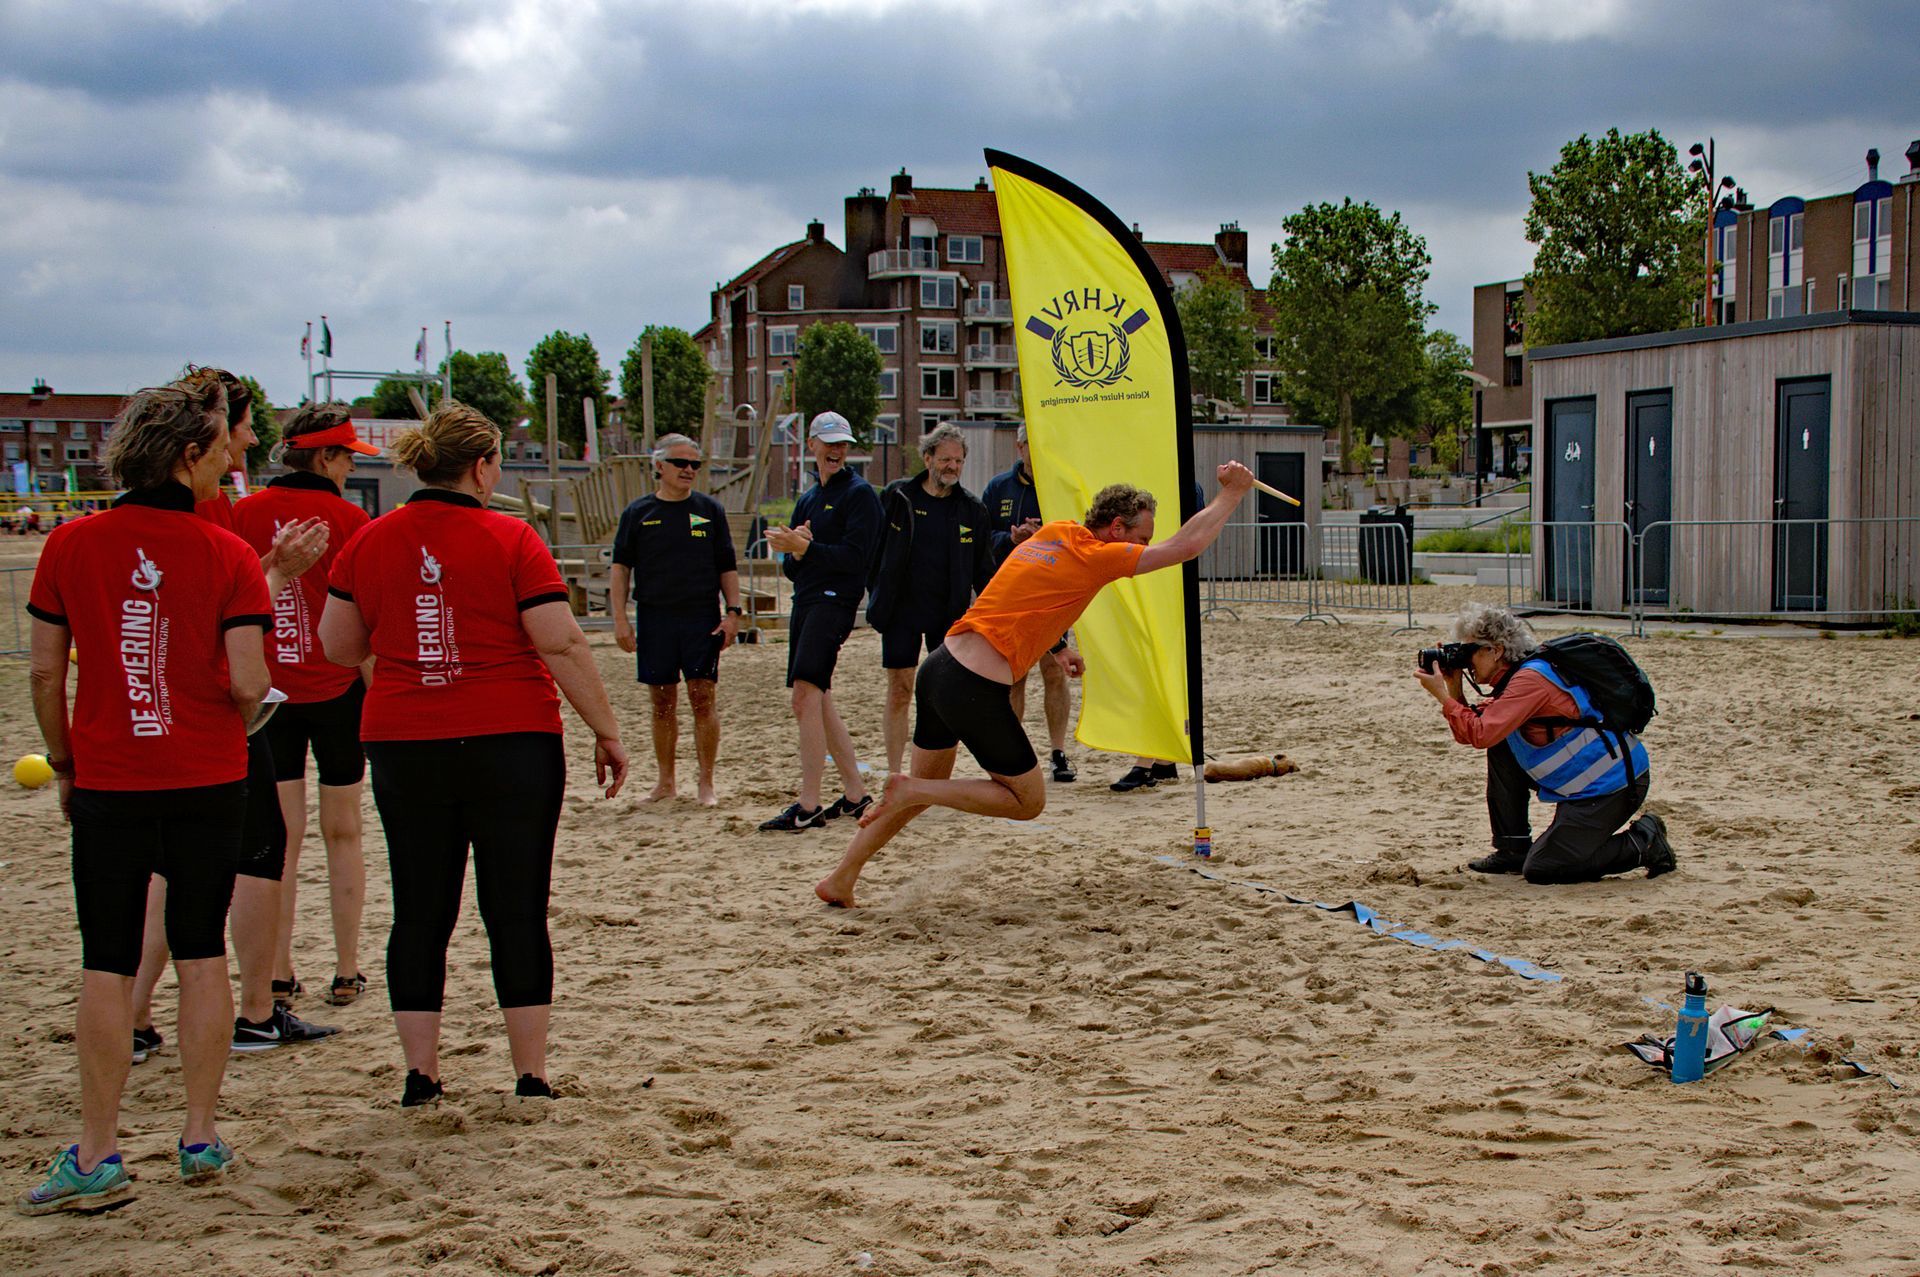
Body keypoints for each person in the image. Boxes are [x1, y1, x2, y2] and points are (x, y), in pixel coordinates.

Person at [318, 399, 629, 1107]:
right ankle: (530, 1074)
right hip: (510, 737)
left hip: (406, 740)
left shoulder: (369, 541)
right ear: (483, 468)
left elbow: (338, 646)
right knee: (516, 907)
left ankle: (421, 1074)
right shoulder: (512, 537)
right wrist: (606, 729)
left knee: (419, 910)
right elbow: (559, 640)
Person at [18, 381, 272, 1212]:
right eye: (219, 450)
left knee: (107, 958)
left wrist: (64, 759)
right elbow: (249, 681)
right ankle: (199, 1137)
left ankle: (98, 1150)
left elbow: (46, 673)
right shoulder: (227, 553)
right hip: (207, 774)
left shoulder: (70, 543)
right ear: (187, 456)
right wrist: (216, 715)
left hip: (110, 775)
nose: (226, 464)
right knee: (201, 952)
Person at [815, 463, 1257, 908]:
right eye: (1140, 538)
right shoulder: (1098, 556)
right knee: (1026, 801)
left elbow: (1029, 596)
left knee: (917, 795)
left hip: (941, 666)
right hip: (972, 685)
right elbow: (1186, 546)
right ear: (1116, 528)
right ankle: (913, 788)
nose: (1141, 548)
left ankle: (841, 877)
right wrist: (1232, 493)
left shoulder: (1055, 533)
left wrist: (1058, 647)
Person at [130, 368, 338, 1062]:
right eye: (237, 430)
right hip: (213, 712)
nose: (243, 444)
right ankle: (255, 1010)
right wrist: (274, 573)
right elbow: (213, 618)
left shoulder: (169, 515)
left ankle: (136, 1015)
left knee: (167, 868)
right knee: (252, 856)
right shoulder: (202, 512)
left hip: (153, 717)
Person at [233, 403, 378, 1008]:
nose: (350, 469)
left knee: (281, 837)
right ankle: (346, 970)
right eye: (346, 457)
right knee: (343, 832)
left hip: (269, 694)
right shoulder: (350, 519)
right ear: (324, 457)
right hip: (337, 689)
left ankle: (278, 971)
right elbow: (362, 621)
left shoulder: (244, 514)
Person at [1413, 602, 1677, 884]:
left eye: (1469, 652)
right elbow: (1472, 733)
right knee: (1501, 743)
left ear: (1496, 650)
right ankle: (1512, 849)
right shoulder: (1516, 679)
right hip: (1583, 785)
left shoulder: (1530, 680)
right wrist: (1453, 687)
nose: (1465, 661)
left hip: (1612, 787)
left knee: (1543, 868)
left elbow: (1480, 733)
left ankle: (1645, 842)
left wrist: (1443, 697)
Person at [759, 411, 881, 832]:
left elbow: (857, 560)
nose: (836, 450)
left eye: (842, 443)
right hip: (807, 600)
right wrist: (797, 550)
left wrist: (806, 548)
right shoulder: (809, 498)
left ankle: (808, 806)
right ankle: (855, 794)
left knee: (805, 695)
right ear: (811, 444)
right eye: (829, 442)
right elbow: (794, 571)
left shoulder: (860, 495)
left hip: (834, 602)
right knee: (818, 697)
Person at [609, 433, 742, 806]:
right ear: (659, 466)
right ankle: (665, 781)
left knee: (703, 697)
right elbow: (620, 569)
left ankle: (706, 783)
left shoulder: (709, 511)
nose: (688, 470)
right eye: (680, 463)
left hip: (701, 616)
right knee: (662, 701)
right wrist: (619, 619)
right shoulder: (638, 513)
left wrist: (733, 614)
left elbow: (727, 566)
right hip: (655, 618)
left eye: (695, 464)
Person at [868, 423, 995, 777]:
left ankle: (933, 775)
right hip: (901, 612)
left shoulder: (972, 510)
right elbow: (873, 553)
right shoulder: (898, 497)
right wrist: (876, 593)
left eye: (958, 460)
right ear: (927, 459)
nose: (952, 466)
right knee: (900, 689)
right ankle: (895, 774)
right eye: (945, 459)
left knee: (943, 695)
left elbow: (985, 573)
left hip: (947, 616)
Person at [981, 424, 1076, 782]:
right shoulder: (998, 488)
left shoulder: (1060, 486)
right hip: (1014, 596)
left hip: (1052, 594)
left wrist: (1044, 539)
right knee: (1014, 677)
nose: (1036, 453)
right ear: (1019, 447)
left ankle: (1058, 753)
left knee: (1054, 670)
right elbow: (983, 538)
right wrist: (1012, 537)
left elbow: (1076, 534)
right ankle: (1013, 755)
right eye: (1030, 446)